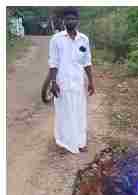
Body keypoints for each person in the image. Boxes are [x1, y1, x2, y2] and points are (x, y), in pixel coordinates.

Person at [47, 7, 94, 154]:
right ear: (64, 21)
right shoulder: (57, 39)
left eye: (73, 19)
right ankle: (63, 141)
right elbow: (53, 62)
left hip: (77, 82)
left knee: (79, 112)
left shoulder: (83, 39)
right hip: (62, 82)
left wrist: (91, 81)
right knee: (64, 112)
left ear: (77, 21)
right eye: (68, 19)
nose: (71, 21)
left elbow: (87, 61)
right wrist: (53, 82)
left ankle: (80, 142)